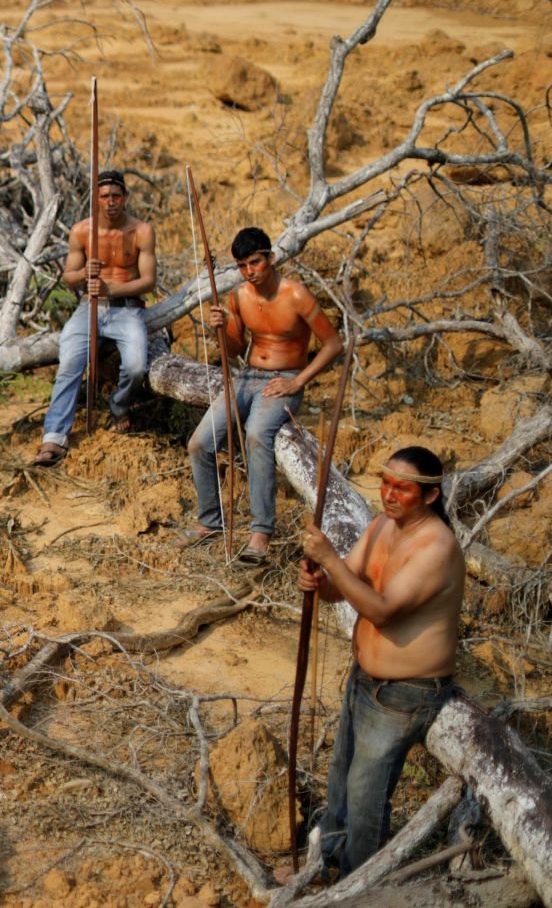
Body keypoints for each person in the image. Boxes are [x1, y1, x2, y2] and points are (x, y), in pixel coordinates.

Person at [300, 445, 464, 879]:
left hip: (404, 692)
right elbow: (345, 586)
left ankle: (359, 884)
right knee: (341, 779)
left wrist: (328, 558)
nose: (389, 494)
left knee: (365, 793)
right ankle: (326, 864)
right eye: (386, 483)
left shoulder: (437, 547)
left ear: (429, 496)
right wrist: (319, 582)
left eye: (402, 488)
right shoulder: (380, 527)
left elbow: (383, 610)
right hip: (364, 679)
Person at [183, 226, 344, 563]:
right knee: (199, 442)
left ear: (270, 258)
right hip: (248, 375)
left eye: (255, 263)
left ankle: (260, 534)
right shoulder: (239, 296)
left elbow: (333, 344)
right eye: (242, 266)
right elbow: (236, 348)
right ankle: (210, 522)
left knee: (257, 436)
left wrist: (298, 382)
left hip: (283, 380)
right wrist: (219, 331)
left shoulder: (297, 295)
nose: (249, 272)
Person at [30, 170, 157, 467]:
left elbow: (149, 281)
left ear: (124, 197)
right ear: (96, 200)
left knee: (137, 366)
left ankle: (119, 406)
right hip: (90, 308)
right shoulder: (82, 231)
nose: (110, 202)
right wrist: (84, 274)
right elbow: (68, 278)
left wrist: (113, 288)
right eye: (104, 196)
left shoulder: (142, 231)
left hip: (128, 309)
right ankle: (54, 437)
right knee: (70, 364)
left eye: (116, 196)